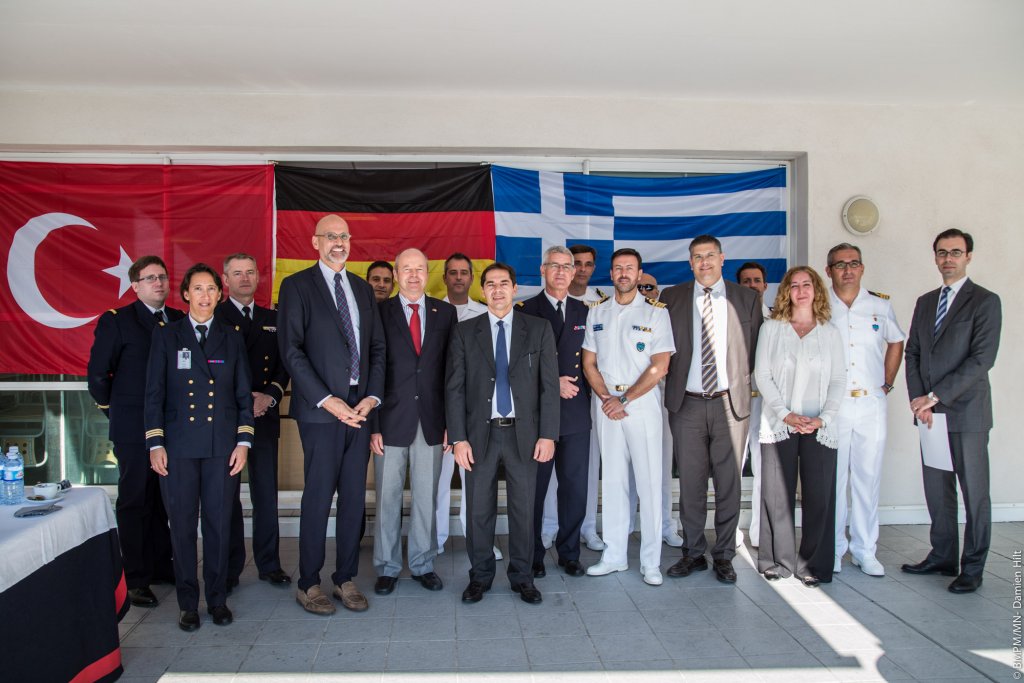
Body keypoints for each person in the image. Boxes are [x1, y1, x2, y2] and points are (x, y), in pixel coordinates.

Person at [277, 214, 386, 615]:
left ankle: (344, 578)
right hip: (322, 411)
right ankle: (308, 583)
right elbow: (291, 351)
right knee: (319, 497)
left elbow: (376, 349)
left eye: (343, 236)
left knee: (355, 497)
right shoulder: (297, 286)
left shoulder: (361, 288)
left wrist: (371, 398)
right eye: (330, 236)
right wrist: (327, 399)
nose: (338, 242)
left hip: (360, 409)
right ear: (315, 242)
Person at [145, 263, 254, 630]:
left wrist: (243, 442)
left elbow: (242, 395)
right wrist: (155, 443)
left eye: (211, 289)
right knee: (182, 527)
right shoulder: (167, 336)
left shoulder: (231, 336)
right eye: (198, 289)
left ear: (219, 294)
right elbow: (154, 395)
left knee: (219, 524)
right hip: (177, 447)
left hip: (222, 447)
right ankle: (188, 602)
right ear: (186, 294)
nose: (206, 296)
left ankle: (218, 598)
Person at [446, 263, 559, 605]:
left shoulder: (538, 329)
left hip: (524, 435)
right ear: (483, 291)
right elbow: (455, 389)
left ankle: (523, 577)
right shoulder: (466, 331)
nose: (497, 289)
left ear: (514, 289)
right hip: (480, 435)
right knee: (479, 510)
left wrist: (548, 434)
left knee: (524, 509)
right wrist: (458, 438)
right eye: (491, 284)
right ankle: (479, 577)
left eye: (504, 283)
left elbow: (549, 387)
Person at [902, 228, 1001, 594]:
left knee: (975, 493)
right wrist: (918, 400)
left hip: (967, 414)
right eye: (942, 252)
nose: (948, 259)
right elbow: (912, 352)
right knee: (937, 490)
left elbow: (981, 360)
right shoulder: (927, 301)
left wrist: (936, 396)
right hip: (929, 415)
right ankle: (943, 556)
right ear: (935, 257)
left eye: (955, 252)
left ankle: (972, 567)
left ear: (968, 257)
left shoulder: (985, 301)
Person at [660, 235, 762, 584]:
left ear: (722, 259)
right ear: (690, 263)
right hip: (686, 402)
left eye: (709, 256)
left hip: (729, 404)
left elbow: (755, 350)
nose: (704, 262)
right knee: (689, 482)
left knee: (729, 481)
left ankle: (724, 554)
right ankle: (692, 552)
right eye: (696, 257)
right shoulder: (670, 297)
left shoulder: (747, 298)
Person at [87, 255, 179, 608]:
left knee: (161, 501)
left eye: (163, 277)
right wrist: (117, 411)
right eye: (150, 278)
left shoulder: (179, 320)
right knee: (135, 500)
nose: (158, 283)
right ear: (136, 285)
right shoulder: (118, 321)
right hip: (133, 428)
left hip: (170, 428)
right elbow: (98, 376)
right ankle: (137, 577)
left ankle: (160, 565)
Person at [582, 249, 675, 586]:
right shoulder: (597, 311)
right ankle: (615, 555)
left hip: (641, 404)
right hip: (606, 404)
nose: (623, 273)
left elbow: (660, 365)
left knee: (649, 483)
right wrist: (607, 397)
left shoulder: (655, 314)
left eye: (630, 268)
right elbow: (589, 362)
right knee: (615, 482)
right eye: (618, 268)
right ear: (611, 273)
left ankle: (651, 562)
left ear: (639, 274)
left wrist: (624, 398)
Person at [369, 248, 457, 595]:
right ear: (396, 272)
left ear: (428, 271)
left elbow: (453, 371)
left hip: (432, 421)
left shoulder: (445, 313)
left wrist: (452, 421)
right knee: (387, 497)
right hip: (389, 421)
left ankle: (422, 563)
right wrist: (372, 424)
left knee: (426, 497)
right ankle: (387, 567)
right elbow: (372, 372)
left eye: (420, 269)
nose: (414, 275)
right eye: (407, 269)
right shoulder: (378, 312)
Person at [754, 266, 846, 587]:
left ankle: (814, 564)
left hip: (819, 425)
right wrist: (786, 413)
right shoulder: (772, 329)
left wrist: (824, 418)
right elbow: (762, 375)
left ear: (816, 290)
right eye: (794, 286)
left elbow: (838, 380)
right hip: (780, 422)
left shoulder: (830, 332)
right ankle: (777, 561)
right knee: (777, 495)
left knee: (819, 496)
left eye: (807, 285)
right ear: (786, 293)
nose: (801, 290)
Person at [825, 244, 905, 577]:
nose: (847, 270)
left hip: (871, 402)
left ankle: (864, 549)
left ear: (862, 268)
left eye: (853, 263)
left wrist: (886, 382)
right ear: (828, 270)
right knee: (833, 479)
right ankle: (833, 550)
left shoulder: (879, 305)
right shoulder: (820, 305)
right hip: (834, 405)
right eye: (840, 265)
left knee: (867, 478)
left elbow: (896, 341)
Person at [218, 254, 291, 589]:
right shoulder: (215, 316)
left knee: (266, 493)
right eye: (237, 273)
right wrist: (243, 398)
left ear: (259, 277)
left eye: (250, 272)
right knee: (226, 495)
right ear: (225, 279)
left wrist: (269, 396)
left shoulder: (273, 318)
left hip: (264, 414)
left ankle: (269, 562)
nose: (244, 278)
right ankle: (230, 566)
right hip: (225, 418)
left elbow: (284, 365)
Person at [518, 246, 591, 579]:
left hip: (576, 412)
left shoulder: (587, 311)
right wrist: (551, 383)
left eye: (567, 267)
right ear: (542, 270)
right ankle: (531, 552)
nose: (561, 272)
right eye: (554, 266)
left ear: (574, 273)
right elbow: (514, 365)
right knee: (534, 488)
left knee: (574, 486)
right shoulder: (524, 310)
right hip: (537, 414)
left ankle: (570, 552)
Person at [435, 252, 503, 561]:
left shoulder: (484, 312)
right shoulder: (433, 310)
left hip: (478, 412)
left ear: (472, 278)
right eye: (453, 273)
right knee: (437, 480)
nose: (459, 277)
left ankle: (479, 541)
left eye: (465, 272)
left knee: (477, 482)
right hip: (439, 409)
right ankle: (434, 541)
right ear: (445, 278)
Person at [567, 243, 609, 552]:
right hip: (563, 392)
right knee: (558, 467)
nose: (581, 269)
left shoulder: (602, 304)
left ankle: (588, 527)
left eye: (587, 264)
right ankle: (552, 526)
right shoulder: (555, 298)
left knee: (589, 466)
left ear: (594, 268)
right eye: (576, 264)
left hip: (594, 393)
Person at [638, 273, 684, 548]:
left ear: (657, 291)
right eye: (640, 286)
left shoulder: (664, 316)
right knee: (627, 472)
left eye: (649, 287)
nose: (644, 291)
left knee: (662, 468)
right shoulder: (615, 313)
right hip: (627, 400)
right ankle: (628, 525)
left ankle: (666, 525)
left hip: (662, 398)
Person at [735, 261, 772, 548]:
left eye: (756, 280)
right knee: (733, 468)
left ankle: (760, 532)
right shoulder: (731, 318)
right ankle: (731, 531)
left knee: (765, 468)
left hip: (769, 405)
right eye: (746, 281)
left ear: (765, 285)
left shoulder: (776, 319)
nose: (752, 285)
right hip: (736, 401)